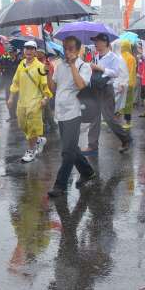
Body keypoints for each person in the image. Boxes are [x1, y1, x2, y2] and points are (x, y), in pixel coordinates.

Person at [46, 35, 96, 197]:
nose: (67, 52)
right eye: (65, 48)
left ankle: (60, 186)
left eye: (71, 49)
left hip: (75, 113)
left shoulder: (84, 67)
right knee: (72, 148)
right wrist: (48, 72)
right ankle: (87, 172)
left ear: (78, 50)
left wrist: (73, 65)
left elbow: (81, 85)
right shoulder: (60, 66)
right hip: (61, 112)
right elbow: (53, 88)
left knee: (67, 152)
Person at [85, 33, 132, 154]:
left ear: (105, 42)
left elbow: (115, 73)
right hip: (95, 89)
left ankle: (126, 138)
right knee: (94, 118)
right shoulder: (95, 56)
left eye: (97, 41)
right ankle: (92, 145)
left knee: (109, 118)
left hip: (106, 89)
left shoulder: (113, 57)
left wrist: (100, 68)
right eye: (94, 41)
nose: (95, 44)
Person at [7, 40, 51, 163]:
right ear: (24, 50)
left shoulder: (41, 67)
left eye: (32, 49)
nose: (29, 51)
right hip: (22, 102)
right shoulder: (21, 64)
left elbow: (45, 86)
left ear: (36, 51)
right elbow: (15, 82)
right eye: (27, 48)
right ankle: (39, 140)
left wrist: (45, 98)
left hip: (35, 102)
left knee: (31, 128)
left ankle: (31, 150)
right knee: (22, 124)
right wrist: (11, 97)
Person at [119, 39, 137, 128]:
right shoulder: (131, 58)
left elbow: (130, 71)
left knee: (125, 102)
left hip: (124, 83)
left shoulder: (123, 57)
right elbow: (132, 71)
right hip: (128, 83)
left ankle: (128, 122)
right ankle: (126, 122)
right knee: (127, 103)